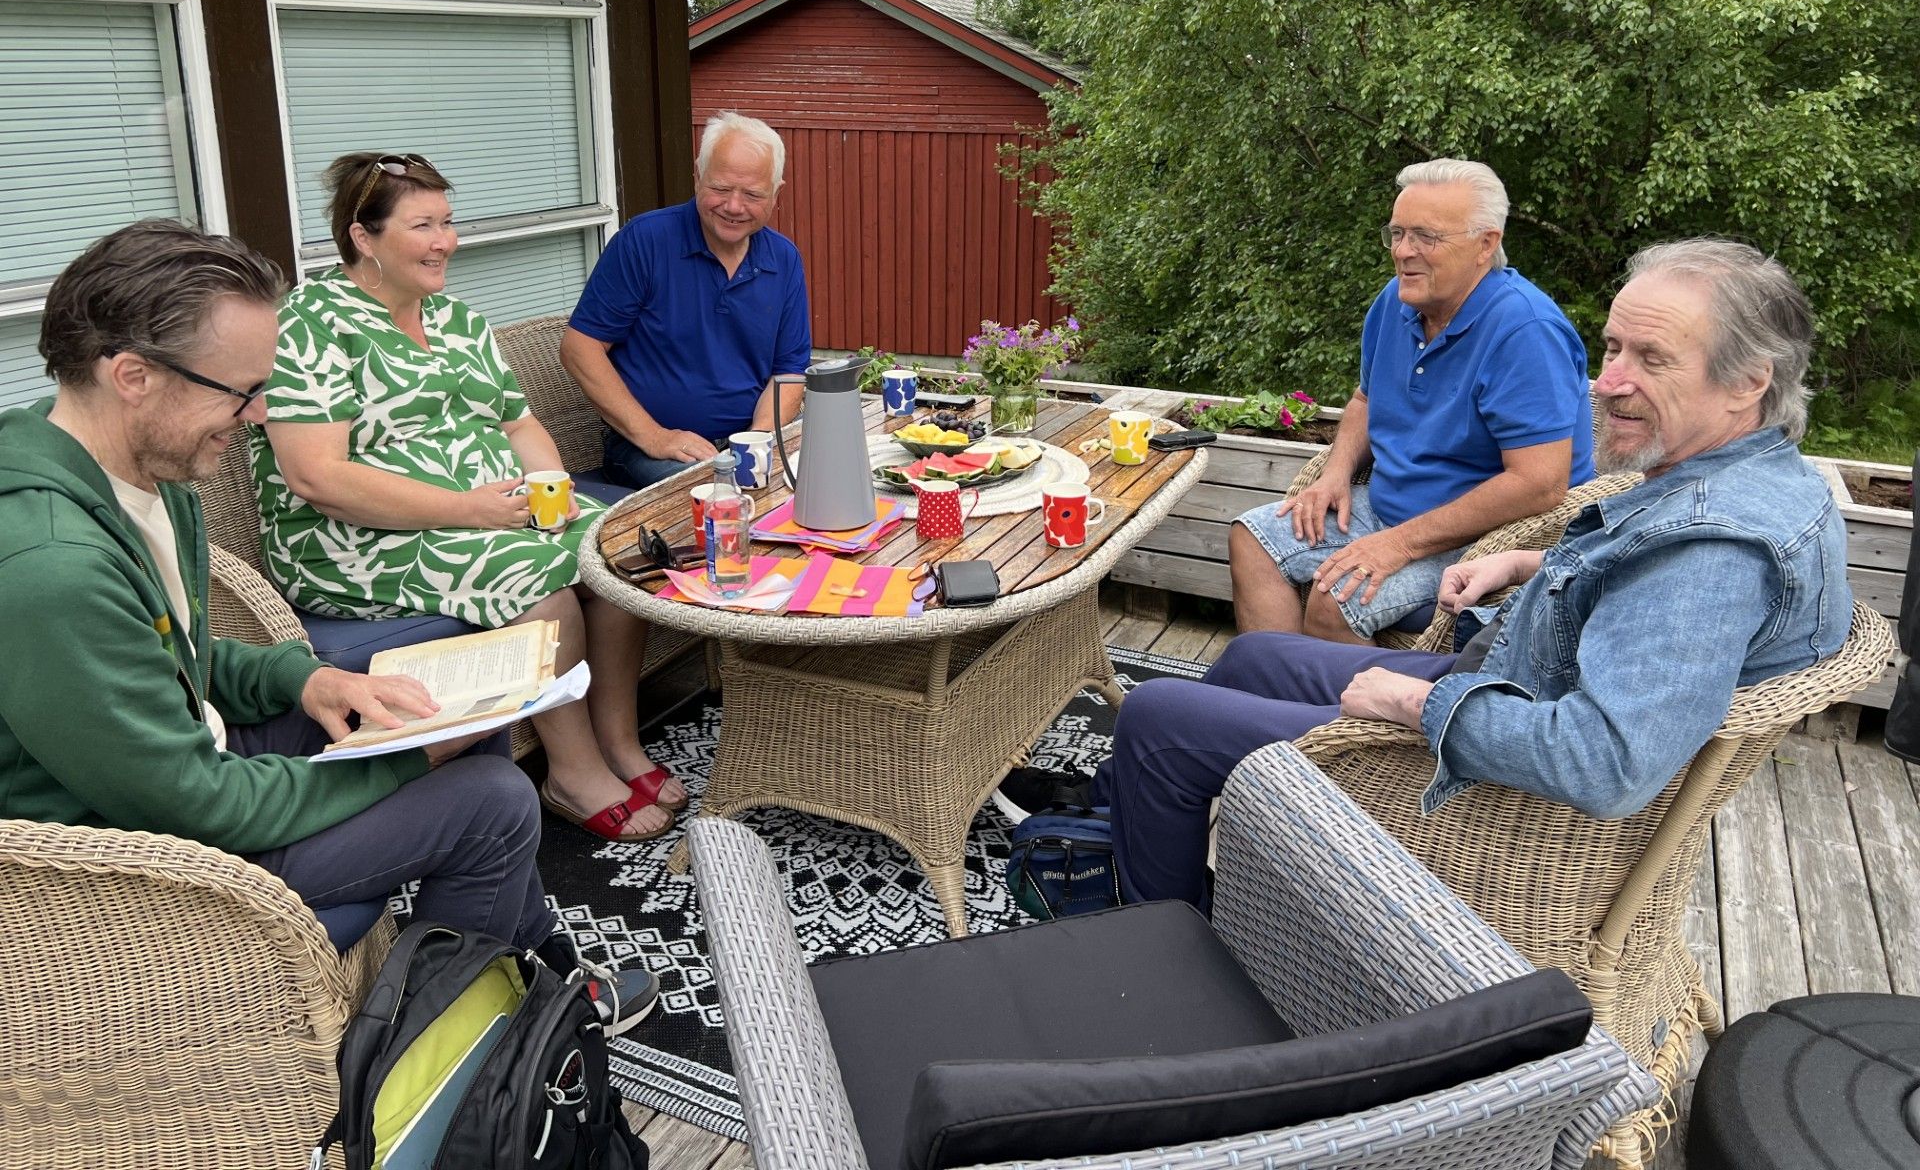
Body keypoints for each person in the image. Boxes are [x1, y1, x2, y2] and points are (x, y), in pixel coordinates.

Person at [1006, 239, 1853, 909]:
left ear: (1749, 383)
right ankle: (1129, 821)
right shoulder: (1755, 478)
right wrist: (1534, 563)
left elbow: (1603, 763)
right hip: (1507, 677)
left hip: (1485, 788)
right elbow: (1637, 598)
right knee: (1246, 661)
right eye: (1613, 348)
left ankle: (1157, 934)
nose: (1608, 381)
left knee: (1156, 713)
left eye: (1651, 360)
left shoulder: (1711, 552)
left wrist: (1412, 700)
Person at [0, 220, 653, 1026]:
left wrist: (307, 677)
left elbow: (179, 655)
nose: (259, 415)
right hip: (135, 877)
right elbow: (197, 805)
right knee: (490, 799)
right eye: (242, 391)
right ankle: (437, 1051)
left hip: (176, 771)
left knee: (423, 703)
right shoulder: (49, 568)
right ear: (133, 374)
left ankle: (520, 974)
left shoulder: (136, 469)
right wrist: (409, 763)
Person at [252, 153, 685, 843]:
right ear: (364, 238)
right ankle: (572, 771)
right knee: (539, 579)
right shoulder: (311, 323)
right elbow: (317, 477)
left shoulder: (455, 320)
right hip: (350, 540)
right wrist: (469, 510)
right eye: (422, 225)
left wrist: (556, 491)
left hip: (490, 513)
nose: (444, 241)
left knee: (621, 547)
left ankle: (619, 742)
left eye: (447, 223)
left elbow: (518, 422)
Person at [1230, 159, 1595, 642]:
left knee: (1337, 595)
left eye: (1426, 237)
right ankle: (1269, 696)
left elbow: (1539, 484)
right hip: (1384, 508)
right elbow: (1364, 399)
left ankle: (1333, 718)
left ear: (1486, 243)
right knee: (1251, 539)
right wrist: (1335, 474)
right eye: (1397, 233)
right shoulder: (1397, 301)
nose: (1404, 252)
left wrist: (1398, 544)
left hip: (1480, 539)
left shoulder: (1525, 331)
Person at [562, 112, 811, 489]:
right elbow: (579, 348)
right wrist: (653, 436)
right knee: (720, 495)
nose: (733, 206)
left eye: (753, 194)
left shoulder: (784, 259)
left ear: (777, 194)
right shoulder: (646, 241)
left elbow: (789, 372)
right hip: (647, 450)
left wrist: (757, 441)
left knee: (834, 477)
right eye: (721, 188)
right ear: (698, 177)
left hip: (744, 440)